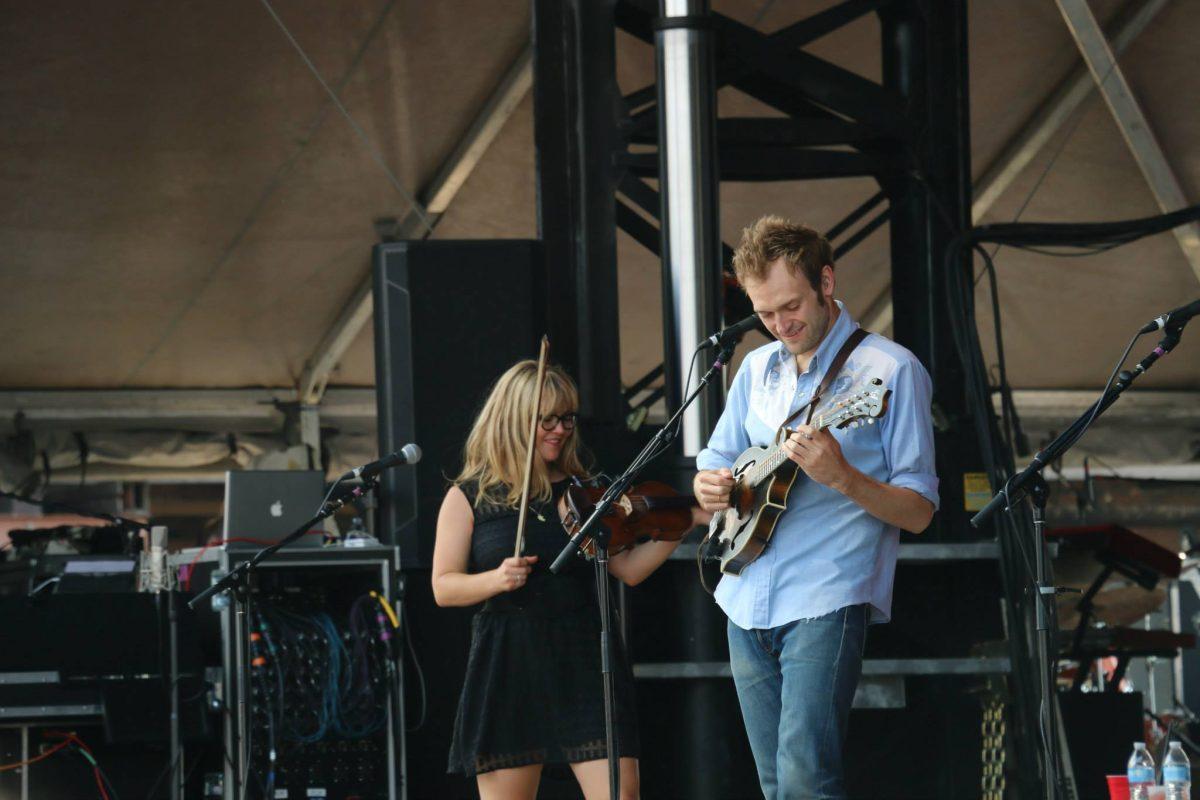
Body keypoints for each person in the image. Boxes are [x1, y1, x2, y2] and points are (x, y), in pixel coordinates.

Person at [693, 215, 939, 799]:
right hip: (743, 591)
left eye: (790, 306)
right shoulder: (755, 369)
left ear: (826, 281)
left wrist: (843, 477)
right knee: (775, 782)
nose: (780, 325)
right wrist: (710, 484)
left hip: (827, 594)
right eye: (765, 314)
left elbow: (921, 512)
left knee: (807, 777)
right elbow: (718, 457)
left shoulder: (889, 371)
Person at [432, 360, 704, 800]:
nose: (561, 429)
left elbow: (629, 570)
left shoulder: (586, 490)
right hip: (510, 663)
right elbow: (443, 587)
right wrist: (496, 580)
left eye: (567, 418)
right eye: (548, 420)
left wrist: (686, 519)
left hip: (584, 657)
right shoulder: (470, 496)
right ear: (514, 420)